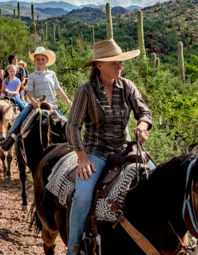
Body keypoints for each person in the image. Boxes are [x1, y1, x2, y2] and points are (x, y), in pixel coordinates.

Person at [64, 39, 153, 255]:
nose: (119, 66)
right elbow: (72, 126)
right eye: (114, 63)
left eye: (120, 62)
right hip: (97, 151)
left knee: (156, 180)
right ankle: (73, 247)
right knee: (83, 197)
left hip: (125, 150)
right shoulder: (86, 91)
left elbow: (144, 111)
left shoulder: (127, 86)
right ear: (99, 65)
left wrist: (142, 126)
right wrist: (82, 157)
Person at [0, 46, 72, 150]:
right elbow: (29, 92)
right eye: (38, 59)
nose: (40, 61)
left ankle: (74, 145)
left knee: (66, 123)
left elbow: (58, 89)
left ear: (47, 61)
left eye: (43, 59)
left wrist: (68, 101)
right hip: (36, 104)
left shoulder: (52, 74)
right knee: (21, 117)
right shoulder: (32, 76)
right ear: (34, 61)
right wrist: (33, 102)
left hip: (52, 105)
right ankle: (11, 137)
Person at [0, 65, 28, 135]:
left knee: (24, 109)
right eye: (11, 71)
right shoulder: (5, 80)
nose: (12, 72)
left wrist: (9, 92)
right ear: (8, 71)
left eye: (14, 71)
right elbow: (3, 90)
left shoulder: (17, 80)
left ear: (16, 72)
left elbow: (16, 92)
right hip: (5, 97)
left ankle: (24, 126)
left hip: (15, 97)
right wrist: (2, 93)